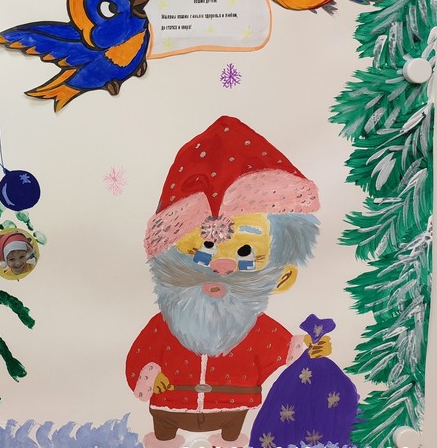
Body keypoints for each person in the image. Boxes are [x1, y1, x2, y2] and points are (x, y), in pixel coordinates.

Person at [126, 116, 331, 448]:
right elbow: (140, 356)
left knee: (231, 435)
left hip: (231, 410)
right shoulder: (165, 326)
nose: (222, 266)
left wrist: (312, 348)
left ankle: (229, 440)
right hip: (169, 408)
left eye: (245, 252)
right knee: (164, 434)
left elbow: (284, 350)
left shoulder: (257, 329)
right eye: (204, 248)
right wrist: (151, 374)